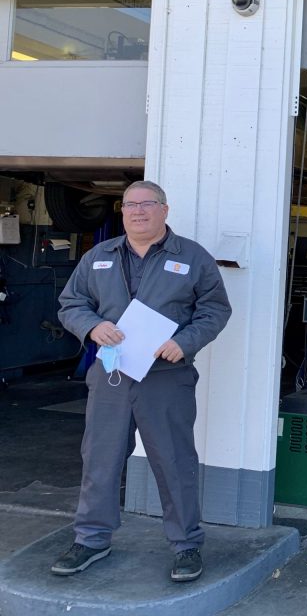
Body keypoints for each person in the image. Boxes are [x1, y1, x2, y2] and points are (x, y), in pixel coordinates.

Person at [52, 180, 231, 583]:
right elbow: (71, 303)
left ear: (164, 210)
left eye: (147, 204)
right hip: (112, 375)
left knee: (173, 461)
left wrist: (184, 343)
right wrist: (92, 326)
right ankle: (92, 539)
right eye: (130, 205)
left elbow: (215, 309)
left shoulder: (192, 258)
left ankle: (186, 546)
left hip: (166, 377)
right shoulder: (100, 256)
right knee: (100, 458)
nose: (137, 211)